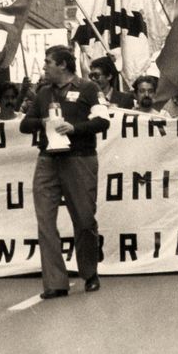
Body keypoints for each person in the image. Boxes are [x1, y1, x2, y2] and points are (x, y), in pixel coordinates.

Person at [20, 46, 110, 299]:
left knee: (83, 219)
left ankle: (89, 273)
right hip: (48, 159)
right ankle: (55, 282)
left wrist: (75, 128)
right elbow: (26, 124)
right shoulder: (43, 94)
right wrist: (44, 122)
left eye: (48, 62)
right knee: (45, 220)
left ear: (63, 65)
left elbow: (103, 121)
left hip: (79, 158)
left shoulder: (88, 88)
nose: (45, 66)